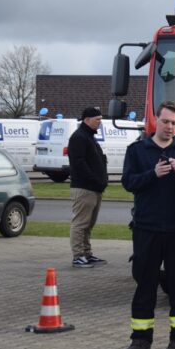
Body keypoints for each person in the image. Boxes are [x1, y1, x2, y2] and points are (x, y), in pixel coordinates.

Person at [121, 101, 175, 349]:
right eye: (165, 122)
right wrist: (152, 174)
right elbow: (128, 183)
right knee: (144, 284)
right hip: (147, 229)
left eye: (174, 123)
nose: (169, 127)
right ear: (156, 120)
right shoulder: (138, 150)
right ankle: (140, 339)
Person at [68, 106, 109, 268]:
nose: (100, 122)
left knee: (89, 223)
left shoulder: (89, 137)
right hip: (84, 188)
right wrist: (94, 180)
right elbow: (79, 164)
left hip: (95, 188)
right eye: (97, 119)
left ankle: (87, 253)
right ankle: (78, 256)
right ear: (87, 120)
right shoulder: (79, 137)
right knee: (80, 223)